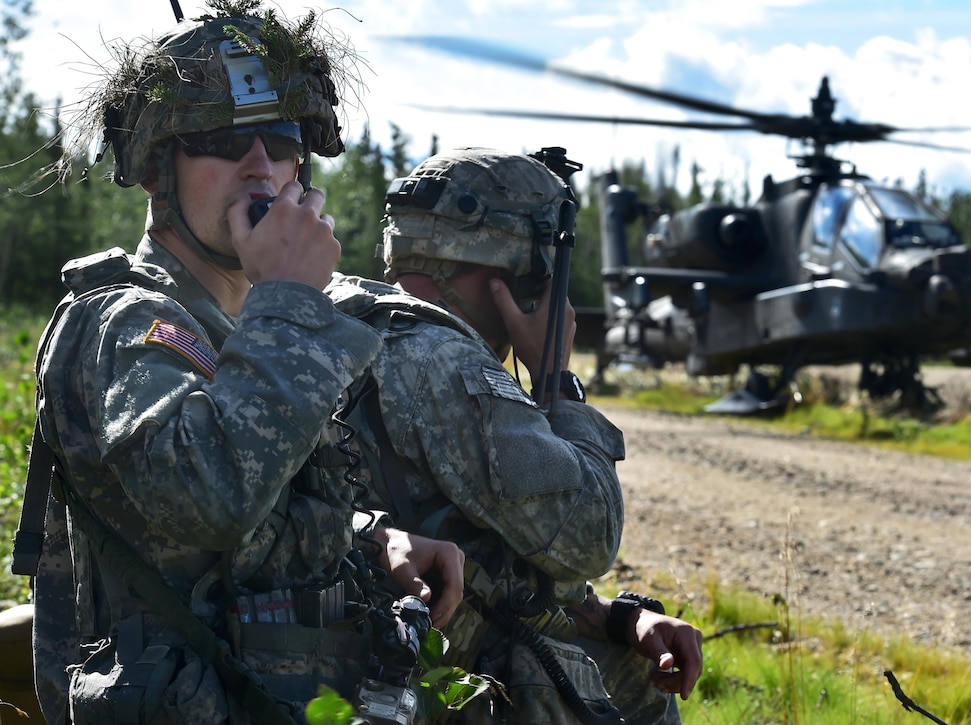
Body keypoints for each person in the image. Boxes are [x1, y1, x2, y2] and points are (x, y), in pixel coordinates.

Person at [20, 6, 463, 724]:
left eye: (281, 139)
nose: (259, 165)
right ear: (157, 169)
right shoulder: (119, 322)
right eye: (222, 141)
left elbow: (255, 522)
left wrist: (371, 537)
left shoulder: (242, 328)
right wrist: (289, 297)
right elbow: (208, 496)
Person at [327, 146, 703, 724]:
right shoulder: (444, 360)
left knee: (623, 663)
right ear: (510, 278)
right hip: (429, 674)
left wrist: (624, 618)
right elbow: (588, 536)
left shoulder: (355, 321)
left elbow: (491, 548)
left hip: (396, 642)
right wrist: (556, 380)